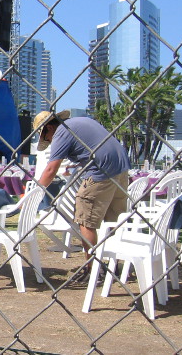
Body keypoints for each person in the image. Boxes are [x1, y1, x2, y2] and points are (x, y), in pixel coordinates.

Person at [33, 110, 131, 282]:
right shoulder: (80, 122)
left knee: (86, 221)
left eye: (45, 136)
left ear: (49, 127)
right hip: (121, 169)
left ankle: (94, 268)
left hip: (101, 172)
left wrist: (36, 192)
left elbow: (50, 169)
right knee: (113, 220)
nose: (48, 141)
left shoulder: (62, 131)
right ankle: (116, 263)